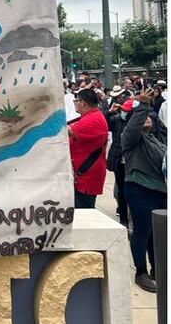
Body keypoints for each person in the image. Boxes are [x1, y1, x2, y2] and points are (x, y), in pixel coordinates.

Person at [120, 88, 167, 293]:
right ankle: (141, 272)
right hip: (140, 190)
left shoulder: (154, 139)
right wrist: (142, 105)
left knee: (157, 234)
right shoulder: (130, 138)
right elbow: (134, 126)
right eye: (143, 118)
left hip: (159, 191)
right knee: (142, 232)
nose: (147, 119)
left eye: (149, 117)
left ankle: (159, 269)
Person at [68, 88, 109, 209]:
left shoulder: (93, 119)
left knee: (83, 214)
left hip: (86, 177)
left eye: (76, 101)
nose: (75, 104)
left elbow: (66, 131)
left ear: (83, 102)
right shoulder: (90, 116)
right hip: (84, 174)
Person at [105, 87, 131, 227]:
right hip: (119, 160)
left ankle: (130, 217)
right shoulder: (116, 120)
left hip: (133, 162)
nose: (124, 113)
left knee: (131, 191)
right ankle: (123, 219)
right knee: (121, 190)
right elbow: (104, 123)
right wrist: (109, 112)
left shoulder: (136, 123)